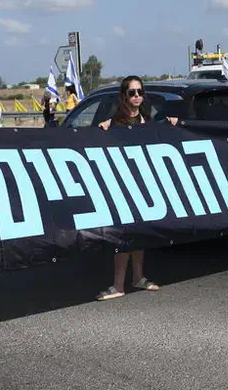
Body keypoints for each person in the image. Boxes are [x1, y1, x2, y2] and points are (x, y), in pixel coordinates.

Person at [95, 75, 163, 300]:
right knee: (123, 236)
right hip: (122, 186)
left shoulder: (148, 120)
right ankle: (118, 285)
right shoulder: (114, 123)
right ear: (124, 95)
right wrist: (101, 130)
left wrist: (174, 123)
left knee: (139, 234)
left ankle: (138, 278)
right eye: (132, 92)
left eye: (139, 92)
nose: (136, 96)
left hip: (143, 185)